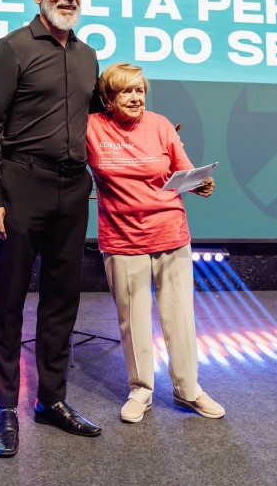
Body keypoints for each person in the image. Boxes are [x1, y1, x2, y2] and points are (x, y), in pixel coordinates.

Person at [0, 0, 103, 458]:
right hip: (21, 184)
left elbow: (97, 119)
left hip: (73, 189)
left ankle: (51, 399)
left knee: (62, 299)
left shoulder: (88, 55)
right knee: (8, 299)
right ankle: (5, 406)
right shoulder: (13, 48)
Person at [86, 63, 225, 423]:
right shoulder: (91, 127)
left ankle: (188, 389)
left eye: (140, 90)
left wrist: (201, 184)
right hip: (121, 237)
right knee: (132, 320)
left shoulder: (161, 125)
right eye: (126, 91)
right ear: (108, 98)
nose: (135, 98)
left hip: (169, 231)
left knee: (179, 315)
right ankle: (141, 390)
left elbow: (185, 171)